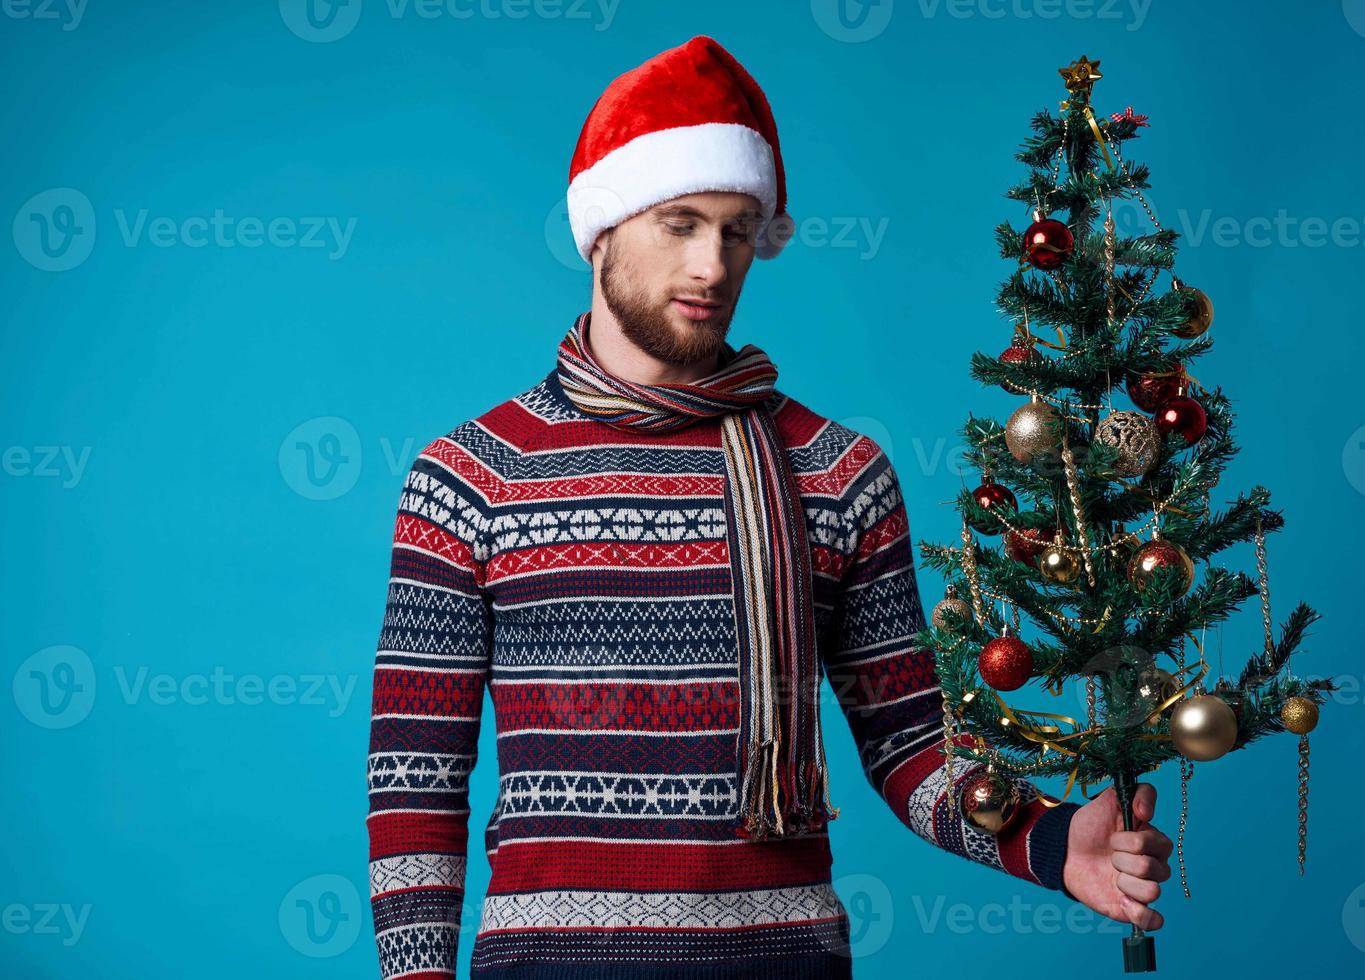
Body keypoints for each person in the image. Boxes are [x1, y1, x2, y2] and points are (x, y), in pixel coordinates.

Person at [366, 34, 1172, 980]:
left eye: (739, 228)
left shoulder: (837, 469)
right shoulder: (469, 475)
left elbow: (909, 741)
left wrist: (1048, 839)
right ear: (606, 227)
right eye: (680, 222)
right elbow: (417, 777)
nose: (713, 263)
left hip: (785, 960)